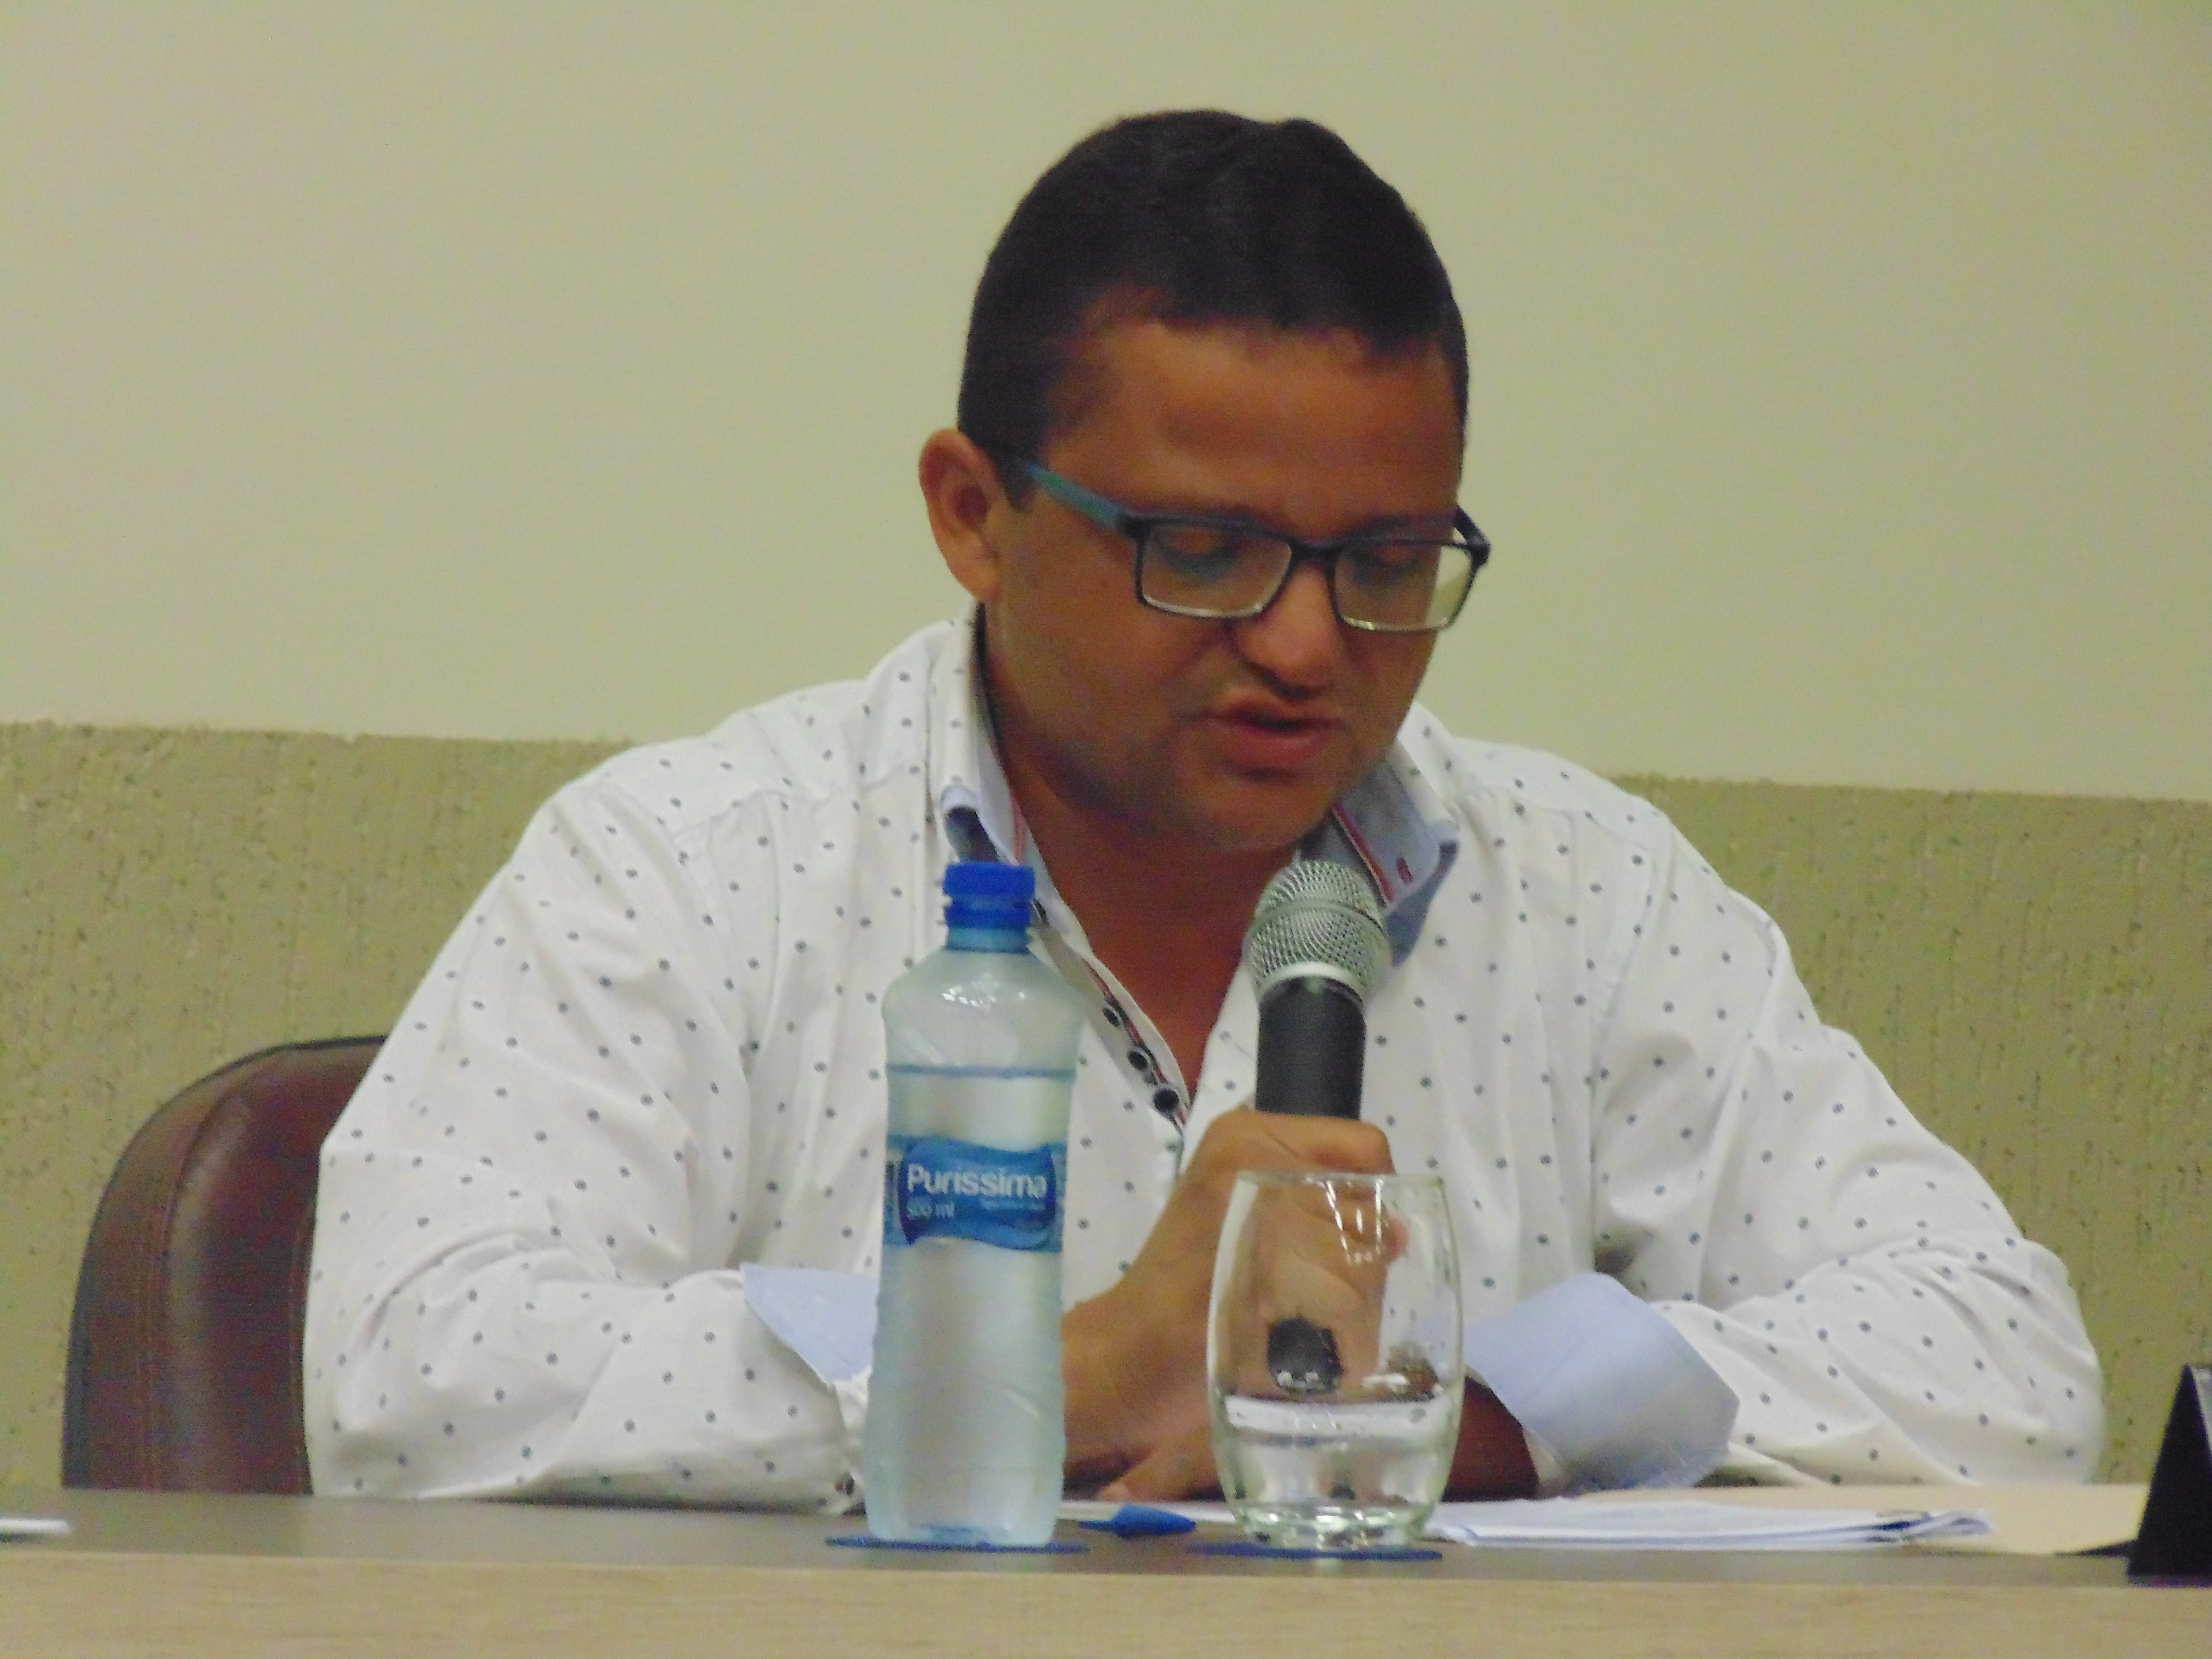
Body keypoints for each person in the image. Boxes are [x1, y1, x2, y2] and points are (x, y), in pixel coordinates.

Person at [305, 111, 2102, 1505]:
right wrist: (1061, 1372)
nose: (1308, 647)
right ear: (973, 514)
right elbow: (407, 1376)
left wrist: (1479, 1415)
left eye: (1386, 562)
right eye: (1207, 550)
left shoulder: (1587, 895)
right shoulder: (691, 868)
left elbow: (2004, 1361)